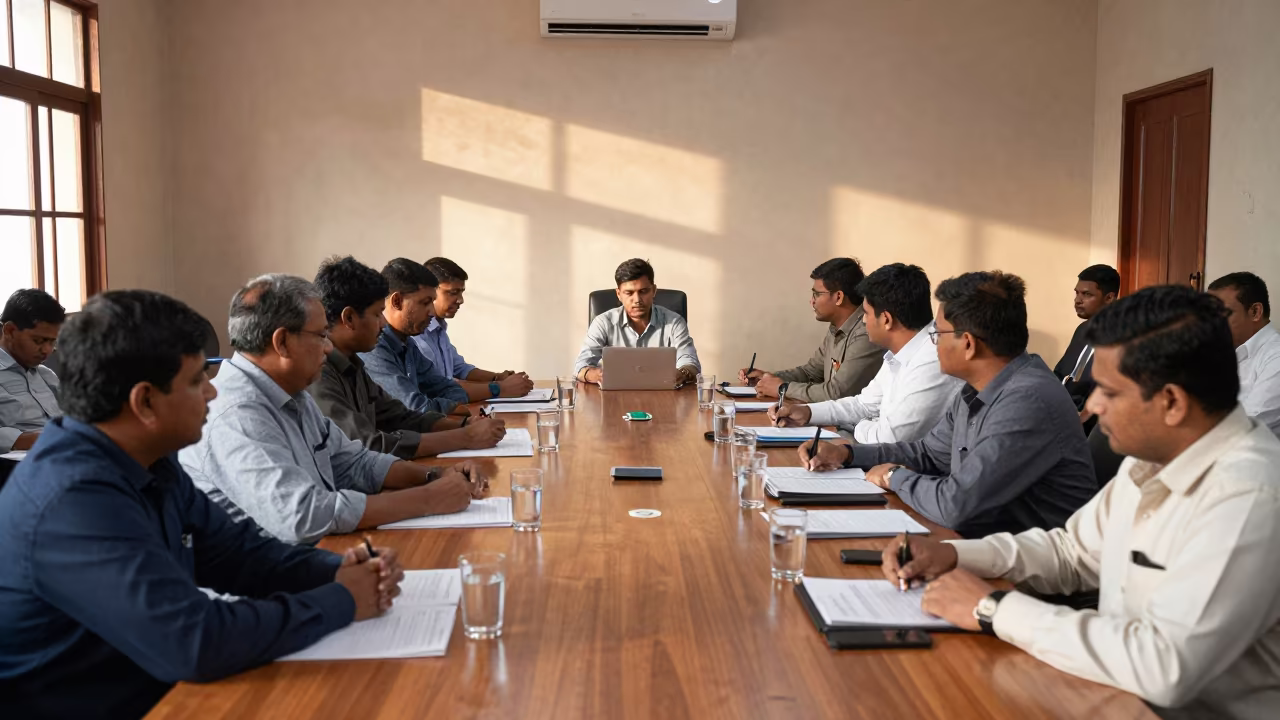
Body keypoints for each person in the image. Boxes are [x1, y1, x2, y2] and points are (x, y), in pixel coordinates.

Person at [0, 290, 405, 720]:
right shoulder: (72, 499)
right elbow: (195, 641)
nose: (213, 393)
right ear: (145, 402)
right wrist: (342, 600)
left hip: (159, 690)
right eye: (197, 380)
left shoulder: (151, 459)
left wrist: (336, 571)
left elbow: (240, 556)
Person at [884, 284, 1280, 718]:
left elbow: (1164, 667)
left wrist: (991, 607)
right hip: (1112, 690)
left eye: (1109, 392)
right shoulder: (1151, 459)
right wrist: (953, 554)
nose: (1092, 404)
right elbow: (1072, 552)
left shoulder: (1250, 494)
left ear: (1171, 402)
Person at [180, 274, 485, 545]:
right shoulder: (236, 413)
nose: (328, 348)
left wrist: (435, 476)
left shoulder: (292, 393)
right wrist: (428, 499)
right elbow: (304, 515)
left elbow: (353, 462)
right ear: (283, 342)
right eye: (321, 336)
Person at [805, 271, 1096, 537]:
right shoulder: (977, 389)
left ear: (968, 344)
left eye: (938, 334)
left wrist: (894, 476)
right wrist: (848, 454)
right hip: (985, 545)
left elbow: (957, 505)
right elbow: (929, 454)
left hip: (1030, 576)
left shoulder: (1027, 401)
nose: (933, 345)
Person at [309, 256, 506, 458]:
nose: (383, 324)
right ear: (349, 318)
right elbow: (367, 444)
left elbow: (400, 416)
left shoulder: (353, 364)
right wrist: (466, 436)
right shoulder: (318, 372)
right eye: (377, 314)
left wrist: (464, 424)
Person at [770, 264, 961, 442]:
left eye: (866, 314)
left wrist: (857, 425)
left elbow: (889, 438)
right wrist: (807, 413)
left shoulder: (933, 358)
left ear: (886, 319)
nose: (862, 322)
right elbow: (863, 405)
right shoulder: (900, 352)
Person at [741, 258, 882, 402]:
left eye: (817, 294)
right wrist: (767, 378)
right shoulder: (836, 327)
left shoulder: (867, 332)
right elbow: (811, 373)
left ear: (838, 297)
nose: (812, 301)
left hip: (855, 424)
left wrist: (782, 388)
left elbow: (836, 393)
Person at [414, 256, 535, 403]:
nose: (460, 300)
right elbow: (440, 389)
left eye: (461, 292)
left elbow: (460, 368)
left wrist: (498, 377)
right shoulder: (416, 335)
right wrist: (500, 387)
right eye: (453, 292)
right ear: (431, 292)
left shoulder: (438, 329)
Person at [361, 259, 473, 415]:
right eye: (425, 303)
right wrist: (451, 407)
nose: (432, 312)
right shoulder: (374, 346)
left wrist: (436, 404)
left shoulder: (407, 343)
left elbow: (450, 389)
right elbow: (416, 408)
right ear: (397, 301)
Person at [575, 258, 700, 386]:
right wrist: (594, 374)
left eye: (643, 291)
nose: (637, 300)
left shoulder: (674, 322)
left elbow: (691, 363)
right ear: (618, 294)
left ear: (654, 290)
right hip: (614, 397)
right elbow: (581, 366)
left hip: (663, 394)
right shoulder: (603, 322)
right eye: (629, 293)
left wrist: (682, 373)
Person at [1208, 272, 1280, 437]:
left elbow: (1246, 426)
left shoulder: (1276, 357)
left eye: (1223, 314)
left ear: (1255, 312)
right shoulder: (1220, 352)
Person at [1053, 264, 1120, 426]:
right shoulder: (1083, 330)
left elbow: (1109, 392)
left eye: (1086, 294)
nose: (1078, 300)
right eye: (1077, 293)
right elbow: (1062, 374)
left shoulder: (1120, 336)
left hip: (1091, 423)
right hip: (1062, 413)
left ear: (1109, 298)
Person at [0, 289, 65, 451]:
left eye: (52, 342)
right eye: (38, 341)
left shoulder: (46, 375)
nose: (47, 350)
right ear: (10, 331)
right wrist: (28, 440)